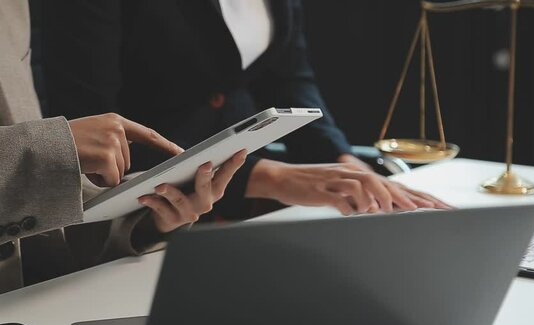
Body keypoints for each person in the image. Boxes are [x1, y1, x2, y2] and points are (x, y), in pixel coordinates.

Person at [42, 0, 451, 219]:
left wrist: (344, 163)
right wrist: (269, 177)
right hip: (133, 211)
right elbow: (94, 127)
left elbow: (289, 78)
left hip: (235, 207)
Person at [0, 1, 245, 294]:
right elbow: (39, 156)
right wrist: (46, 151)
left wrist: (142, 216)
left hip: (30, 310)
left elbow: (29, 211)